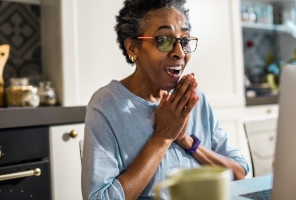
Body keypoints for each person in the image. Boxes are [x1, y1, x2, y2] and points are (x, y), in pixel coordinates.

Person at [81, 0, 249, 199]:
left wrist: (187, 141)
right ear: (133, 48)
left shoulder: (194, 99)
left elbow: (239, 173)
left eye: (184, 41)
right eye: (163, 40)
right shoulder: (107, 105)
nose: (179, 53)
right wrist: (163, 137)